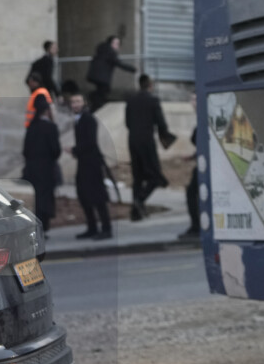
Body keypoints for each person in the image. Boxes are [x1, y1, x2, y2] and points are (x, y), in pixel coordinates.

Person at [125, 74, 172, 220]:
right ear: (150, 86)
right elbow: (161, 123)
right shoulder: (153, 100)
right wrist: (165, 136)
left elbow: (127, 122)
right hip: (147, 141)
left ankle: (135, 212)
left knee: (137, 176)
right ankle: (139, 200)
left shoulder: (131, 101)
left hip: (132, 140)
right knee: (155, 176)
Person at [70, 92, 112, 240]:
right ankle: (92, 227)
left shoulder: (88, 119)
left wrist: (74, 150)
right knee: (84, 195)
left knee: (98, 196)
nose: (75, 104)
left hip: (92, 164)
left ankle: (106, 229)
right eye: (73, 102)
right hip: (84, 163)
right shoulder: (78, 120)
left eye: (78, 101)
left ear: (84, 103)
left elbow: (90, 142)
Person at [23, 96, 61, 240]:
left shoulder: (31, 127)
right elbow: (55, 150)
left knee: (37, 199)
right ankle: (43, 228)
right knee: (45, 199)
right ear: (46, 111)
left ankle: (37, 229)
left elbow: (25, 150)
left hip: (33, 169)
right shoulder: (51, 127)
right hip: (47, 169)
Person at [86, 35, 135, 111]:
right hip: (102, 77)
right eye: (116, 43)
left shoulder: (102, 49)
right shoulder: (110, 51)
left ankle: (95, 103)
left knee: (101, 91)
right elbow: (118, 63)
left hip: (96, 75)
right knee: (103, 92)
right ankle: (94, 104)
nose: (118, 46)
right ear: (111, 43)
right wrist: (132, 69)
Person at [180, 93, 201, 240]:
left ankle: (196, 227)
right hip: (202, 164)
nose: (192, 103)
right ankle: (196, 225)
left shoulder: (206, 119)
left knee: (192, 194)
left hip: (208, 168)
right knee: (192, 193)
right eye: (191, 99)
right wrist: (193, 155)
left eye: (194, 99)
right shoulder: (201, 119)